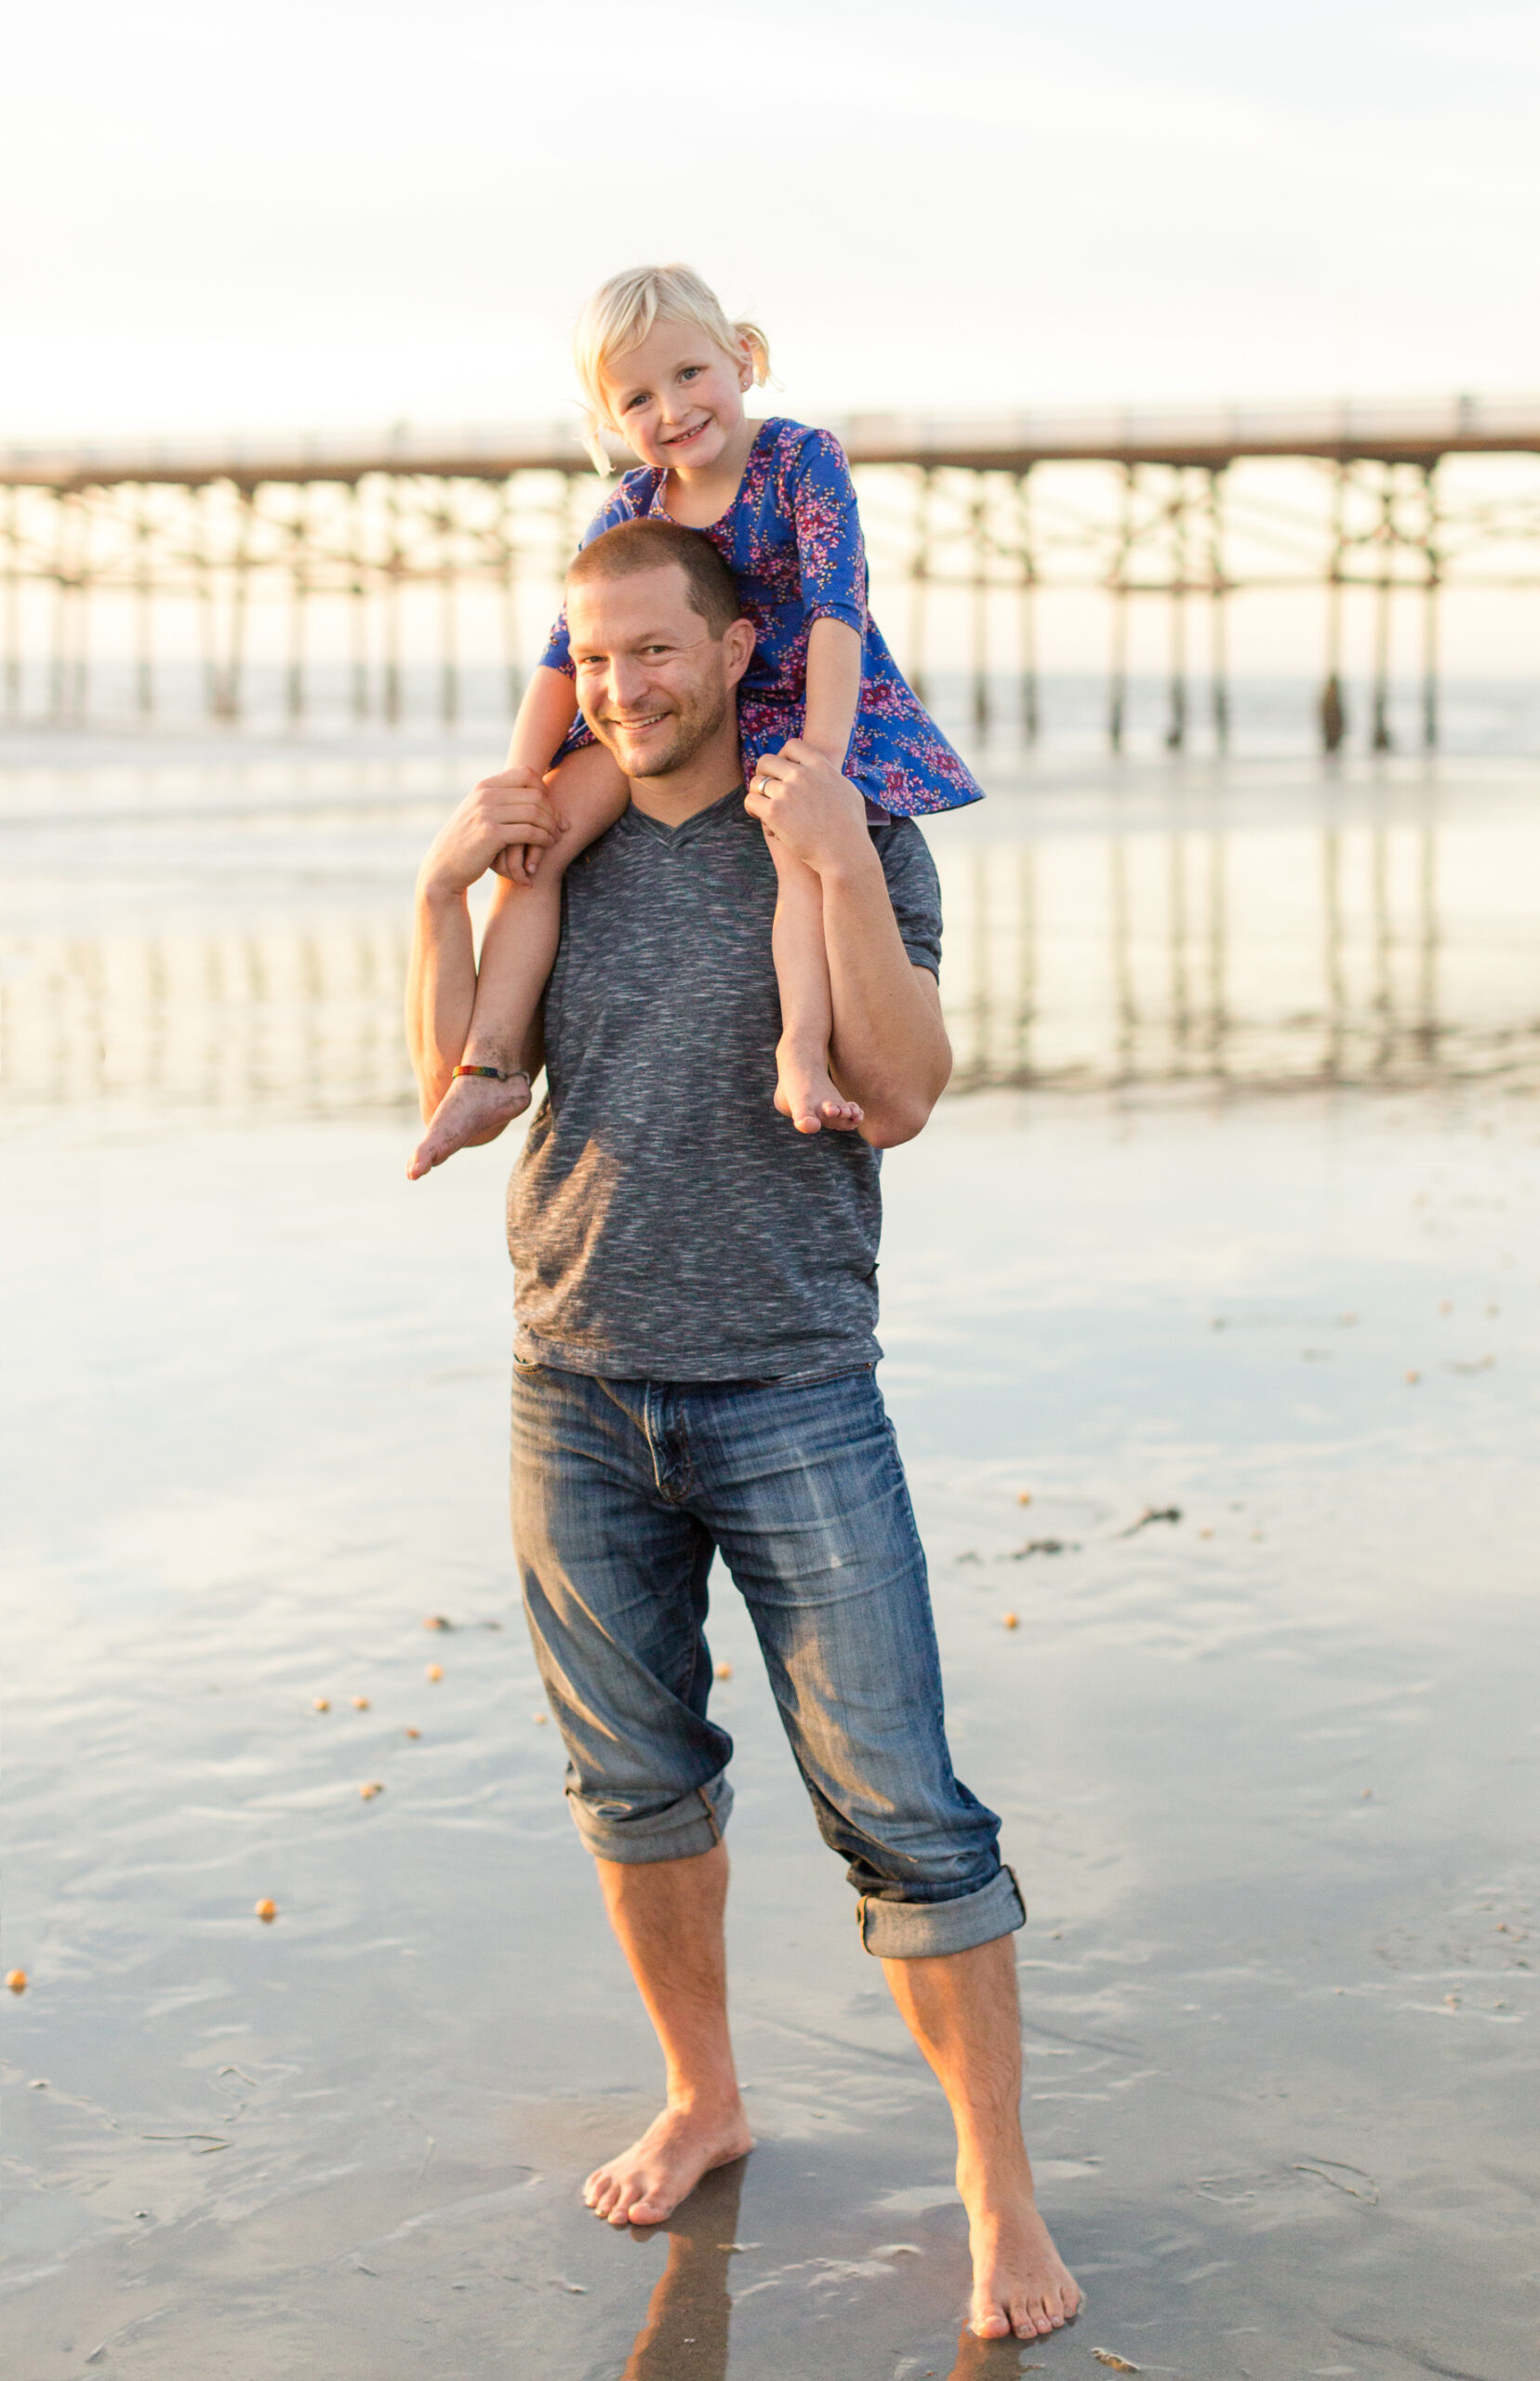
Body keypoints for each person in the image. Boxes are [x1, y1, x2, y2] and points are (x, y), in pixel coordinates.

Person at [404, 517, 1082, 2346]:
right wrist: (437, 890)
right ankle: (704, 2091)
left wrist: (833, 856)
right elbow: (456, 1072)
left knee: (906, 1810)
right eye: (593, 655)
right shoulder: (568, 843)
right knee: (632, 1780)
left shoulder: (853, 834)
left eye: (653, 650)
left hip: (790, 1376)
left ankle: (991, 2182)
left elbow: (903, 1090)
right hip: (572, 1374)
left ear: (725, 647)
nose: (622, 684)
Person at [406, 262, 981, 1181]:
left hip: (803, 708)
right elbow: (565, 659)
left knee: (799, 858)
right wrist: (507, 800)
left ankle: (800, 1048)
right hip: (563, 1321)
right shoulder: (633, 507)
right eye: (637, 397)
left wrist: (823, 765)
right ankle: (492, 1063)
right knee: (542, 841)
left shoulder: (801, 460)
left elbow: (839, 611)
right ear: (607, 422)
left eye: (688, 375)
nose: (670, 410)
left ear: (743, 358)